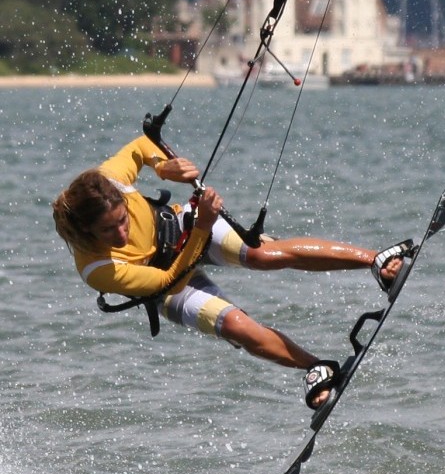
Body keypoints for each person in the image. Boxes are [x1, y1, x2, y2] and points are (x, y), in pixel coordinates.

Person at [53, 136, 407, 410]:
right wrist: (203, 227)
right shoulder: (96, 268)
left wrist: (164, 167)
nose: (121, 232)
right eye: (108, 232)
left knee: (260, 255)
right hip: (169, 286)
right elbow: (167, 281)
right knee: (237, 327)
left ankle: (375, 260)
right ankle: (318, 368)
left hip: (180, 227)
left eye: (123, 220)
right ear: (87, 233)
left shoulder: (108, 180)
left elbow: (142, 146)